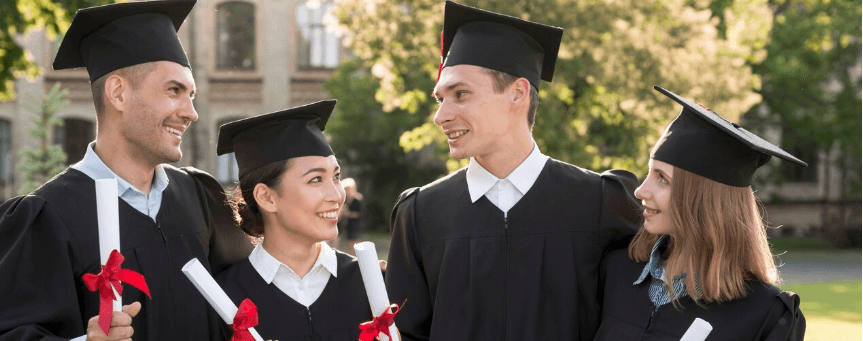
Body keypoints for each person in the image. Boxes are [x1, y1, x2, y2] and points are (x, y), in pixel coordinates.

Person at [0, 1, 254, 340]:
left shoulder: (201, 197)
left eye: (191, 95)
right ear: (118, 93)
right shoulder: (45, 218)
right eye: (174, 90)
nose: (191, 112)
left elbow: (247, 296)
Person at [384, 1, 642, 340]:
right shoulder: (420, 214)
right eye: (440, 99)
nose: (441, 116)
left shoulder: (601, 203)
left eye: (460, 94)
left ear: (517, 92)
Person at [594, 86, 806, 341]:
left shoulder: (765, 315)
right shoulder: (614, 273)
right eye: (648, 172)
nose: (640, 190)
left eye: (662, 179)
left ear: (704, 201)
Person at [213, 100, 380, 340]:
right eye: (315, 180)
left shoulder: (370, 282)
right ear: (267, 197)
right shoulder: (223, 297)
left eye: (336, 176)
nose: (337, 195)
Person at [341, 178, 364, 254]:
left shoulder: (357, 199)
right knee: (350, 245)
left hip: (355, 225)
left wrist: (348, 214)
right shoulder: (347, 200)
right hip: (349, 226)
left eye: (347, 189)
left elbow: (359, 213)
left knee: (355, 244)